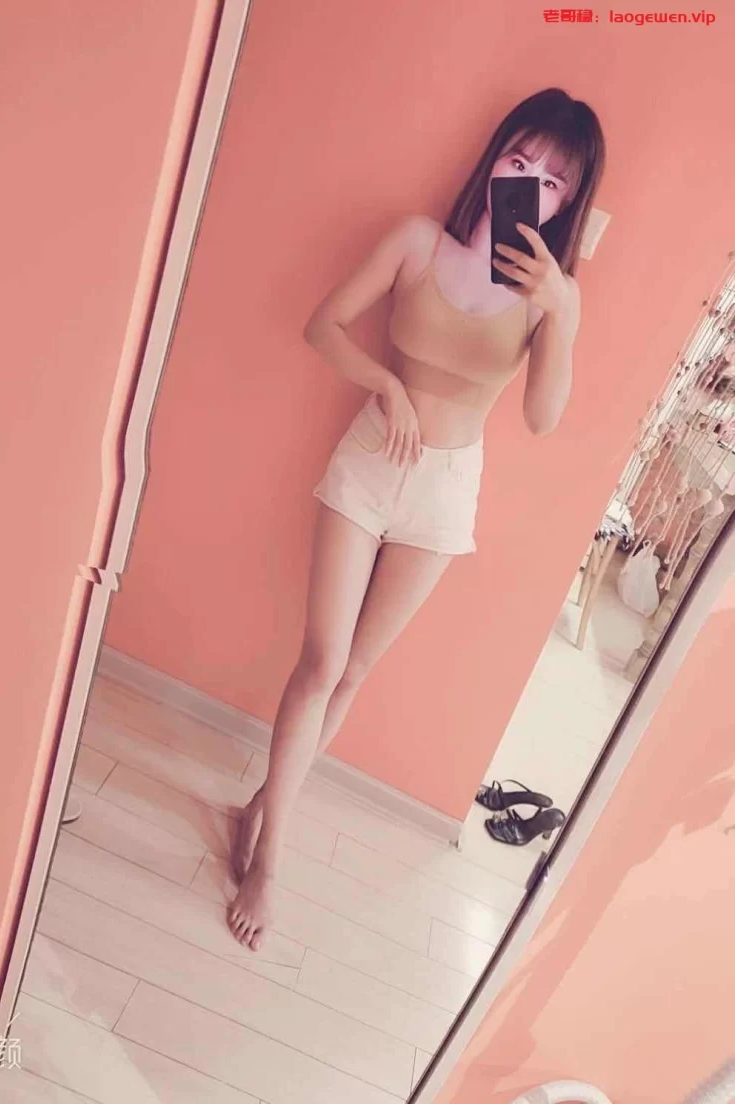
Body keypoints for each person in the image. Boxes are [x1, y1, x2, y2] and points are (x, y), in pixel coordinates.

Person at [226, 87, 606, 950]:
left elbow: (543, 418)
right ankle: (269, 860)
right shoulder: (417, 242)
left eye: (552, 180)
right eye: (519, 159)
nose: (529, 182)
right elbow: (323, 324)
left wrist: (564, 312)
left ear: (566, 203)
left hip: (444, 492)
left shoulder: (551, 299)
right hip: (371, 459)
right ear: (493, 158)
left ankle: (260, 808)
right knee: (322, 662)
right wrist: (386, 384)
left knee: (355, 671)